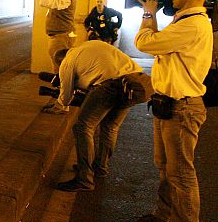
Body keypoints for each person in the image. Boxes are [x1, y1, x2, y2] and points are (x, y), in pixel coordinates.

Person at [133, 0, 215, 222]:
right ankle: (165, 214)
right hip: (168, 105)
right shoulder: (185, 20)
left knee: (180, 173)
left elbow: (145, 43)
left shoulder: (192, 25)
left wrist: (148, 13)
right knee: (166, 167)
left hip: (182, 108)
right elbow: (160, 46)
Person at [53, 41, 151, 192]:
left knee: (83, 127)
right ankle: (100, 168)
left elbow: (65, 99)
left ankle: (84, 178)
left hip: (111, 85)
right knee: (110, 127)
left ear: (60, 61)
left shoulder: (67, 61)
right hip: (135, 83)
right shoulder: (89, 46)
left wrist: (59, 100)